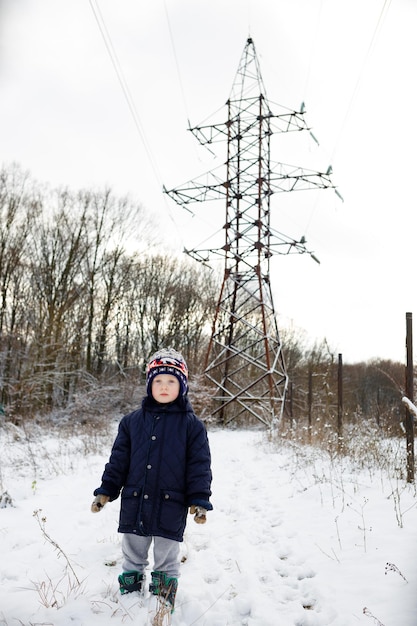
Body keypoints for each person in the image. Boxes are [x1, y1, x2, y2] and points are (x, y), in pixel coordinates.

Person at [91, 348, 213, 612]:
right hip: (135, 500)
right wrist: (106, 490)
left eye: (171, 381)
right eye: (158, 380)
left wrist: (200, 500)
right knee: (132, 553)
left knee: (167, 556)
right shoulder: (131, 422)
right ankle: (130, 595)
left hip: (172, 502)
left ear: (182, 385)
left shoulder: (192, 426)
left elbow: (199, 466)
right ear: (149, 385)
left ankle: (162, 599)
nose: (164, 386)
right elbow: (118, 461)